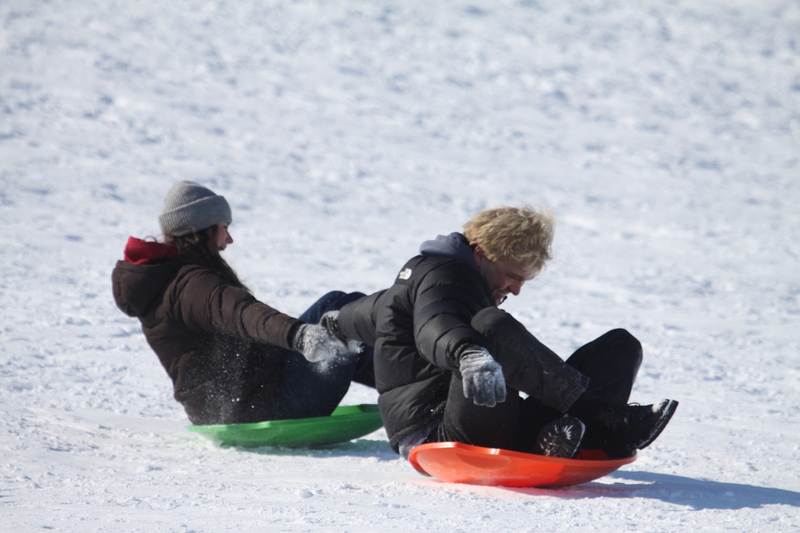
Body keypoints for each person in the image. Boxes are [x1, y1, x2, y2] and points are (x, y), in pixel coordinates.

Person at [329, 206, 678, 459]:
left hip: (480, 414)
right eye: (512, 276)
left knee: (619, 346)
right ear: (481, 254)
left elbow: (368, 312)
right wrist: (469, 353)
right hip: (436, 433)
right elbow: (436, 325)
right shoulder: (445, 276)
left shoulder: (420, 283)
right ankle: (604, 420)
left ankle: (569, 437)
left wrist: (331, 324)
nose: (516, 290)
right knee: (490, 328)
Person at [112, 181, 374, 425]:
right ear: (202, 230)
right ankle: (412, 393)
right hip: (263, 409)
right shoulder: (192, 286)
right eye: (224, 227)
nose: (229, 239)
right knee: (346, 314)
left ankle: (408, 385)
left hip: (245, 400)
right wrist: (299, 335)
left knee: (336, 303)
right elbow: (244, 314)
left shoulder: (175, 279)